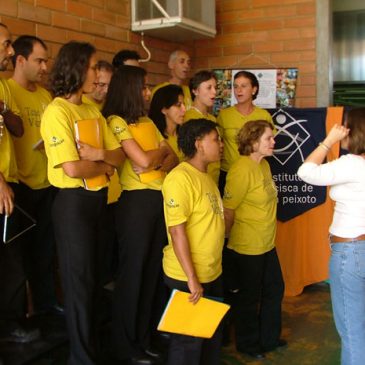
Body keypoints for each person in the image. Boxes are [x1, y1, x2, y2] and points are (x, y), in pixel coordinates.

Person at [40, 41, 124, 365]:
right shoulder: (57, 111)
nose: (96, 74)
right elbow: (72, 168)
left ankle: (93, 351)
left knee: (94, 281)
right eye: (92, 67)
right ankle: (81, 359)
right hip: (73, 205)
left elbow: (119, 156)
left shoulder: (91, 110)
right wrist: (104, 165)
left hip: (98, 202)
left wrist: (101, 157)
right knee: (77, 287)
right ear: (75, 68)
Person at [102, 65, 178, 365]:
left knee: (151, 275)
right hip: (135, 205)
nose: (148, 93)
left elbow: (169, 156)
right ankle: (125, 345)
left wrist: (154, 160)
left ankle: (143, 339)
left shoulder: (147, 120)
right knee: (132, 275)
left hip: (158, 200)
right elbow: (144, 158)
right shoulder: (116, 121)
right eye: (144, 87)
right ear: (129, 89)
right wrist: (155, 158)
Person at [297, 109, 365, 365]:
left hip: (350, 254)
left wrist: (328, 141)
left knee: (352, 333)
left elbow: (306, 171)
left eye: (345, 127)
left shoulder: (350, 165)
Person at [162, 118, 225, 365]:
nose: (220, 145)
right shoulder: (180, 178)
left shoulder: (206, 177)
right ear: (199, 144)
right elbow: (177, 231)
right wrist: (191, 278)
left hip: (211, 272)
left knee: (208, 338)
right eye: (215, 139)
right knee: (187, 346)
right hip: (187, 275)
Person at [8, 34, 62, 316]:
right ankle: (23, 314)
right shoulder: (6, 90)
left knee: (45, 252)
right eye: (39, 60)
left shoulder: (44, 95)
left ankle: (46, 308)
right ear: (20, 60)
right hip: (19, 187)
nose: (45, 67)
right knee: (20, 257)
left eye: (47, 61)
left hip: (48, 184)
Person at [223, 120, 285, 359]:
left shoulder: (264, 166)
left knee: (274, 289)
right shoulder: (241, 170)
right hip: (247, 247)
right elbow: (228, 211)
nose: (273, 142)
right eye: (268, 138)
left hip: (267, 243)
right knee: (249, 298)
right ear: (252, 141)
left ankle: (269, 339)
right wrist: (226, 247)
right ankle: (248, 345)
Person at [0, 22, 40, 345]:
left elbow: (16, 129)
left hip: (10, 184)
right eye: (6, 44)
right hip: (3, 185)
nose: (10, 51)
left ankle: (13, 323)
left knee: (12, 259)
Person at [217, 71, 274, 194]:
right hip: (228, 172)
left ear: (254, 89)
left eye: (244, 86)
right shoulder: (224, 115)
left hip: (256, 171)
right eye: (236, 86)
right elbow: (217, 143)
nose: (239, 90)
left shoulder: (263, 115)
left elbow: (270, 144)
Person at [184, 70, 219, 184]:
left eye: (215, 87)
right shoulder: (188, 118)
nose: (214, 92)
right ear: (195, 90)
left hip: (214, 178)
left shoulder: (212, 119)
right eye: (209, 88)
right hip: (197, 179)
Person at [149, 84, 186, 161]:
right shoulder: (155, 138)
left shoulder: (186, 134)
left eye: (184, 104)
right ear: (164, 109)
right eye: (178, 105)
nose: (184, 110)